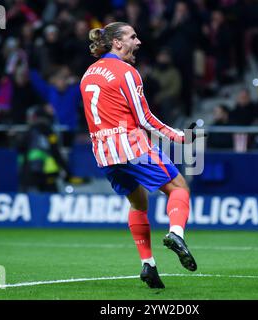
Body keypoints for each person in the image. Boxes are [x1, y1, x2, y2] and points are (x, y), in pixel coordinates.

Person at [80, 22, 204, 289]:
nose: (139, 42)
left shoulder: (88, 74)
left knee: (138, 204)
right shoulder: (127, 72)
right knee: (179, 188)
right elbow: (145, 120)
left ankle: (148, 263)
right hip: (131, 146)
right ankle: (176, 234)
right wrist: (181, 138)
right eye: (133, 37)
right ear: (117, 42)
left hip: (104, 153)